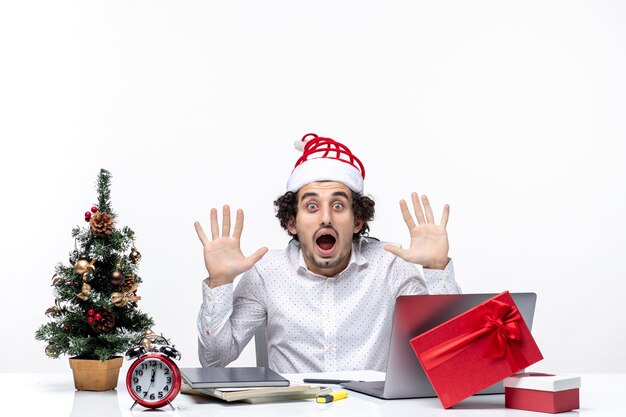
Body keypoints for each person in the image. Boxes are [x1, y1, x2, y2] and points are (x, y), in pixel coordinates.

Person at [195, 133, 461, 373]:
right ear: (292, 223)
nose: (325, 218)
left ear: (357, 221)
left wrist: (436, 268)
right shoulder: (266, 273)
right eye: (311, 206)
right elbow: (215, 360)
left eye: (338, 205)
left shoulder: (389, 265)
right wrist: (220, 283)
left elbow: (451, 353)